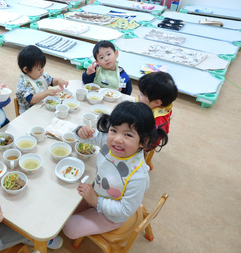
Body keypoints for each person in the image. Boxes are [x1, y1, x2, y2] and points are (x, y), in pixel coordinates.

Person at [62, 101, 168, 239]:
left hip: (112, 216)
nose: (117, 139)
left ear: (144, 141)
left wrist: (96, 201)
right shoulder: (109, 140)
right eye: (114, 130)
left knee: (69, 228)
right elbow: (88, 138)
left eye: (128, 135)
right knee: (64, 208)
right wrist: (81, 131)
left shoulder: (137, 176)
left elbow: (124, 210)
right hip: (98, 192)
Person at [15, 45, 69, 114]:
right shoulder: (23, 83)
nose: (42, 71)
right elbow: (31, 99)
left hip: (42, 106)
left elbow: (51, 81)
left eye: (42, 68)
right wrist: (47, 92)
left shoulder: (40, 75)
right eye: (39, 69)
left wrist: (58, 81)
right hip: (29, 113)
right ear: (26, 69)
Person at [137, 71, 178, 146]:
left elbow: (152, 143)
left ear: (157, 103)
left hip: (145, 144)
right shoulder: (161, 105)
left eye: (142, 94)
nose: (138, 96)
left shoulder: (157, 121)